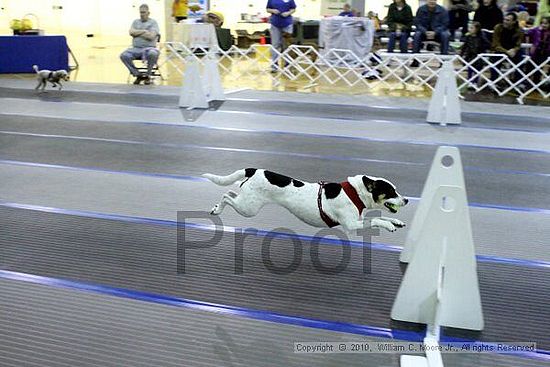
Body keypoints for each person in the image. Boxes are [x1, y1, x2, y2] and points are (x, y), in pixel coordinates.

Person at [120, 4, 160, 85]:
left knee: (153, 53)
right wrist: (144, 31)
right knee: (124, 55)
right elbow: (131, 32)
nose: (142, 14)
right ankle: (137, 74)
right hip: (136, 49)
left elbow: (151, 36)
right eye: (140, 12)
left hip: (149, 48)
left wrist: (137, 33)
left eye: (144, 12)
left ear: (148, 13)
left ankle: (148, 75)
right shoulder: (135, 22)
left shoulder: (153, 22)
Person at [411, 0, 450, 65]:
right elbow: (417, 23)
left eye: (434, 0)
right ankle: (415, 60)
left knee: (445, 35)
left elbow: (445, 24)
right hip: (424, 33)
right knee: (417, 35)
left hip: (438, 33)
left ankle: (443, 61)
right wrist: (425, 31)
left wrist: (435, 32)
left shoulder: (443, 10)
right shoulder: (421, 9)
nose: (432, 1)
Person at [490, 12, 524, 82]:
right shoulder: (498, 27)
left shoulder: (519, 30)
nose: (505, 22)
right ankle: (494, 81)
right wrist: (506, 51)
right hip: (500, 50)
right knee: (494, 59)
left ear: (514, 22)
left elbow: (518, 44)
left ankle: (518, 82)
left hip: (512, 51)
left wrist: (514, 50)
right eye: (504, 19)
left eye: (508, 20)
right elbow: (495, 44)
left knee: (522, 59)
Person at [266, 0, 297, 72]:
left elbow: (293, 9)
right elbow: (268, 9)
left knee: (287, 45)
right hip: (275, 24)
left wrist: (288, 13)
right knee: (275, 44)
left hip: (287, 23)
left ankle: (288, 64)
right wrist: (273, 10)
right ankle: (274, 65)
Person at [460, 21, 490, 87]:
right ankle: (470, 81)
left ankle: (475, 82)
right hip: (470, 56)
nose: (469, 29)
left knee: (477, 70)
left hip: (479, 56)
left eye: (471, 28)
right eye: (469, 28)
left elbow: (487, 44)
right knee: (470, 69)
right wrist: (461, 55)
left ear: (477, 29)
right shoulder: (468, 37)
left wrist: (482, 48)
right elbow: (464, 47)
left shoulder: (482, 37)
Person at [527, 16, 550, 84]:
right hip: (535, 51)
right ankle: (527, 82)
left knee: (539, 68)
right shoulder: (536, 29)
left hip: (546, 52)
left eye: (546, 23)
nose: (543, 25)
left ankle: (536, 83)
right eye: (542, 23)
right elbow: (528, 33)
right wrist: (529, 45)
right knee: (530, 67)